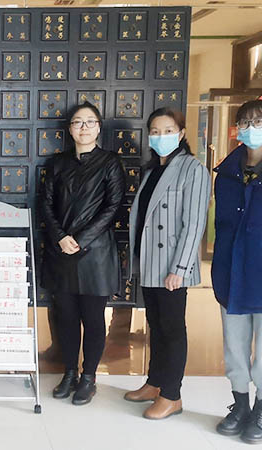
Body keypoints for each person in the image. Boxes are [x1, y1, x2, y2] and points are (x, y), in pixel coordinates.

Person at [125, 107, 211, 420]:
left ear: (181, 133)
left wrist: (180, 268)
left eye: (168, 130)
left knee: (173, 329)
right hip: (150, 262)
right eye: (155, 132)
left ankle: (172, 395)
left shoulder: (193, 169)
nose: (161, 137)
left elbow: (194, 223)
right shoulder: (151, 171)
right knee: (156, 325)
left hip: (172, 265)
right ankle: (155, 382)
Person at [41, 101, 125, 405]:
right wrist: (61, 237)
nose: (84, 127)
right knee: (65, 317)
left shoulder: (110, 162)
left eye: (90, 122)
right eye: (78, 122)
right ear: (70, 129)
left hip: (95, 254)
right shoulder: (57, 164)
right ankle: (69, 373)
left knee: (92, 318)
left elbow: (113, 206)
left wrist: (81, 238)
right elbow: (46, 204)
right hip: (62, 251)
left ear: (99, 128)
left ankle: (88, 377)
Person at [212, 99, 262, 444]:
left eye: (258, 121)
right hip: (231, 271)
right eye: (245, 122)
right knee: (234, 344)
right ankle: (240, 404)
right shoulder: (227, 173)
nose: (251, 128)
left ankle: (261, 409)